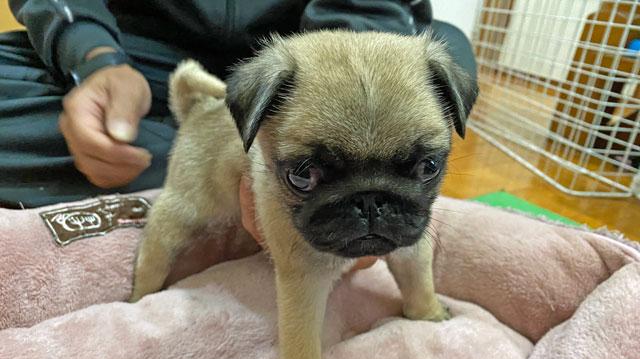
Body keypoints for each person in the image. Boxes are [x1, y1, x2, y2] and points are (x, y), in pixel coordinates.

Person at [0, 0, 476, 208]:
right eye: (307, 172)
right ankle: (256, 177)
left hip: (309, 66)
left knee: (447, 53)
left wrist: (346, 97)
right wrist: (94, 57)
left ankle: (210, 173)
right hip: (140, 49)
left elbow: (364, 15)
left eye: (423, 167)